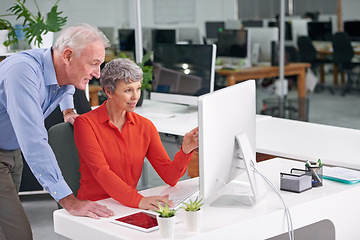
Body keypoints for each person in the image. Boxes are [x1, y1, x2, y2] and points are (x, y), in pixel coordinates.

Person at [0, 23, 114, 240]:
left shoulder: (58, 68)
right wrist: (69, 201)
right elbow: (34, 140)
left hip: (12, 151)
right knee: (17, 234)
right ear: (68, 55)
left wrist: (68, 110)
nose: (97, 73)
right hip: (7, 151)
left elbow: (68, 85)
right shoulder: (22, 72)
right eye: (94, 64)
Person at [74, 58, 199, 211]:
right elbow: (101, 172)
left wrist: (185, 151)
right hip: (94, 207)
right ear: (108, 91)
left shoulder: (145, 126)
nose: (135, 96)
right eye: (128, 90)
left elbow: (170, 177)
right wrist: (139, 200)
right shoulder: (85, 124)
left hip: (127, 205)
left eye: (138, 88)